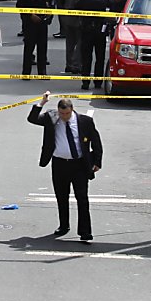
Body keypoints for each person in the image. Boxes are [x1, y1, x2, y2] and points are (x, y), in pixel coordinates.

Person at [27, 92, 103, 243]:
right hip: (59, 163)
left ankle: (85, 232)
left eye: (67, 113)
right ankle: (63, 225)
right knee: (61, 197)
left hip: (79, 164)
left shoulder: (85, 121)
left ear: (72, 110)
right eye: (62, 113)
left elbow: (96, 142)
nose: (64, 116)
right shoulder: (52, 118)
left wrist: (97, 162)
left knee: (82, 198)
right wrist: (41, 103)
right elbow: (32, 119)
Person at [74, 0, 113, 89]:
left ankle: (85, 82)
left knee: (86, 57)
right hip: (100, 31)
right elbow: (111, 12)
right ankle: (98, 82)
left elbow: (75, 9)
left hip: (86, 31)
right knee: (99, 57)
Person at [17, 0, 53, 78]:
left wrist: (49, 16)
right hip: (30, 23)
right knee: (29, 48)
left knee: (42, 48)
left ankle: (42, 72)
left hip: (43, 22)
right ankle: (26, 73)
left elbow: (52, 3)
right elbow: (20, 5)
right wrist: (30, 15)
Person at [59, 0, 87, 73]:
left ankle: (68, 64)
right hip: (78, 18)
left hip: (66, 16)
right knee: (80, 42)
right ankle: (76, 64)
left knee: (69, 43)